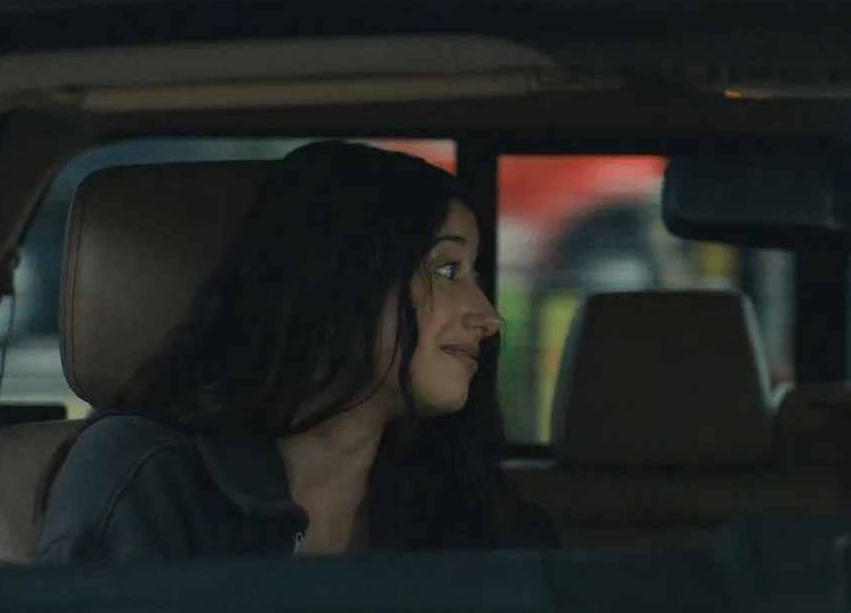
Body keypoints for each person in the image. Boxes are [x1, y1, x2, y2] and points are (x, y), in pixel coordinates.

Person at [36, 140, 558, 563]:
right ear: (340, 278)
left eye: (474, 276)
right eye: (447, 269)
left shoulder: (468, 508)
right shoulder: (147, 479)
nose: (489, 318)